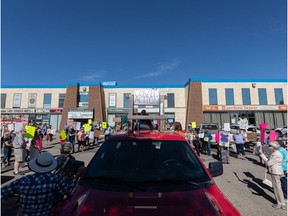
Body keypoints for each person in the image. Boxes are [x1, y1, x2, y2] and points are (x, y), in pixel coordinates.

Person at [1, 152, 82, 216]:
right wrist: (77, 176)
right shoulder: (56, 179)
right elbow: (69, 191)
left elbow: (3, 192)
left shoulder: (23, 181)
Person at [259, 141, 285, 209]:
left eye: (271, 147)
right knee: (278, 188)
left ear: (274, 147)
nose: (270, 148)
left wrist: (262, 155)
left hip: (275, 172)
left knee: (277, 188)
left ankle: (280, 203)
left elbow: (268, 163)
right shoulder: (276, 153)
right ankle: (281, 203)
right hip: (276, 172)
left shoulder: (276, 154)